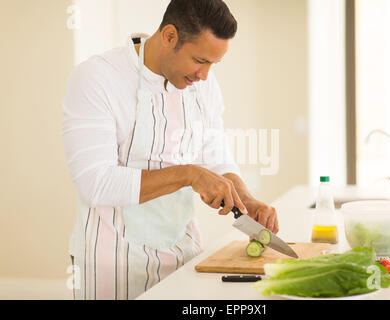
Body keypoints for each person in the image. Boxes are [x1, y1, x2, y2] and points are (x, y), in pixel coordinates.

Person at [62, 0, 279, 300]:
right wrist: (189, 175)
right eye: (200, 60)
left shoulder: (204, 84)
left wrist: (248, 201)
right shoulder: (98, 78)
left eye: (213, 64)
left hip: (185, 259)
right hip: (112, 267)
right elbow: (95, 184)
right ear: (169, 36)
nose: (204, 75)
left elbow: (215, 157)